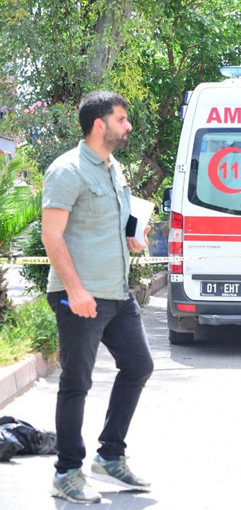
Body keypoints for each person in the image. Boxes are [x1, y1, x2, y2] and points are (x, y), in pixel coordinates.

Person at [41, 91, 153, 504]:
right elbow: (51, 236)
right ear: (99, 125)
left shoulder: (113, 168)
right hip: (81, 295)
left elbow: (108, 222)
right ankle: (66, 471)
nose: (127, 127)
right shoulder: (67, 170)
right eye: (122, 120)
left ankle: (109, 456)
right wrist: (74, 290)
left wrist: (131, 238)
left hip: (116, 292)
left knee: (139, 366)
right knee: (76, 383)